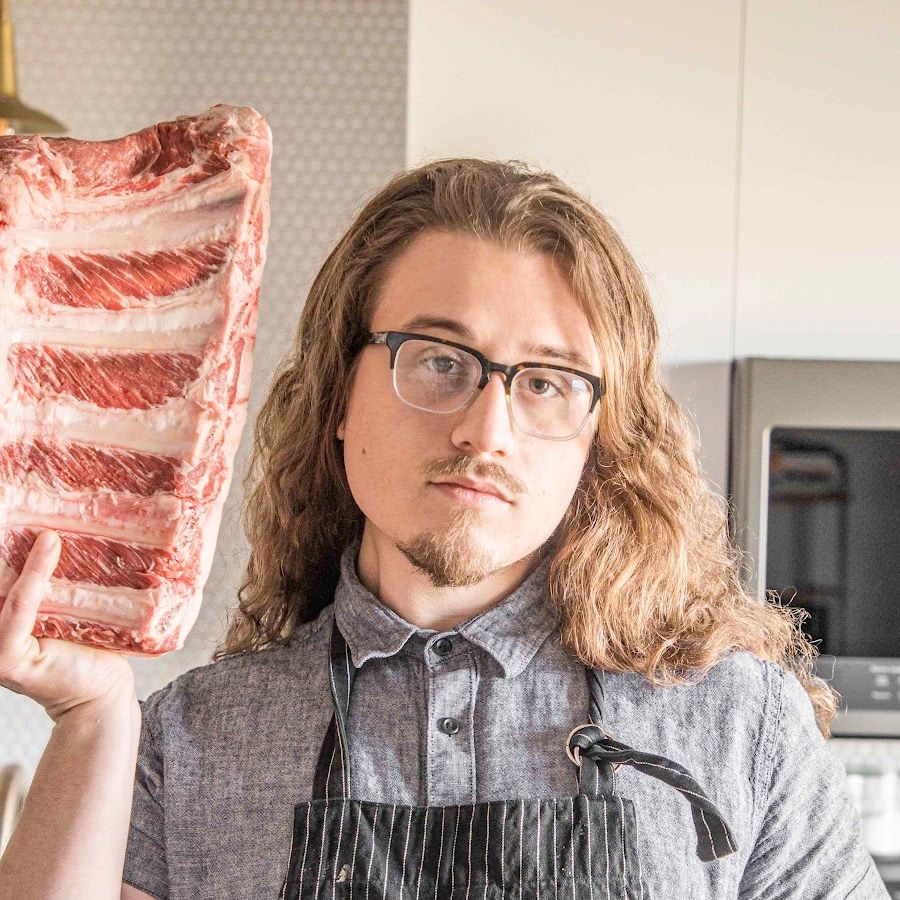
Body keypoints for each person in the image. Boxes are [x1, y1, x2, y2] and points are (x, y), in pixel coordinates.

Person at [0, 159, 888, 899]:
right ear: (339, 397)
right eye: (437, 361)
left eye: (545, 381)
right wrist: (89, 717)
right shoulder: (192, 739)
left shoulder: (738, 725)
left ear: (598, 437)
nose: (486, 430)